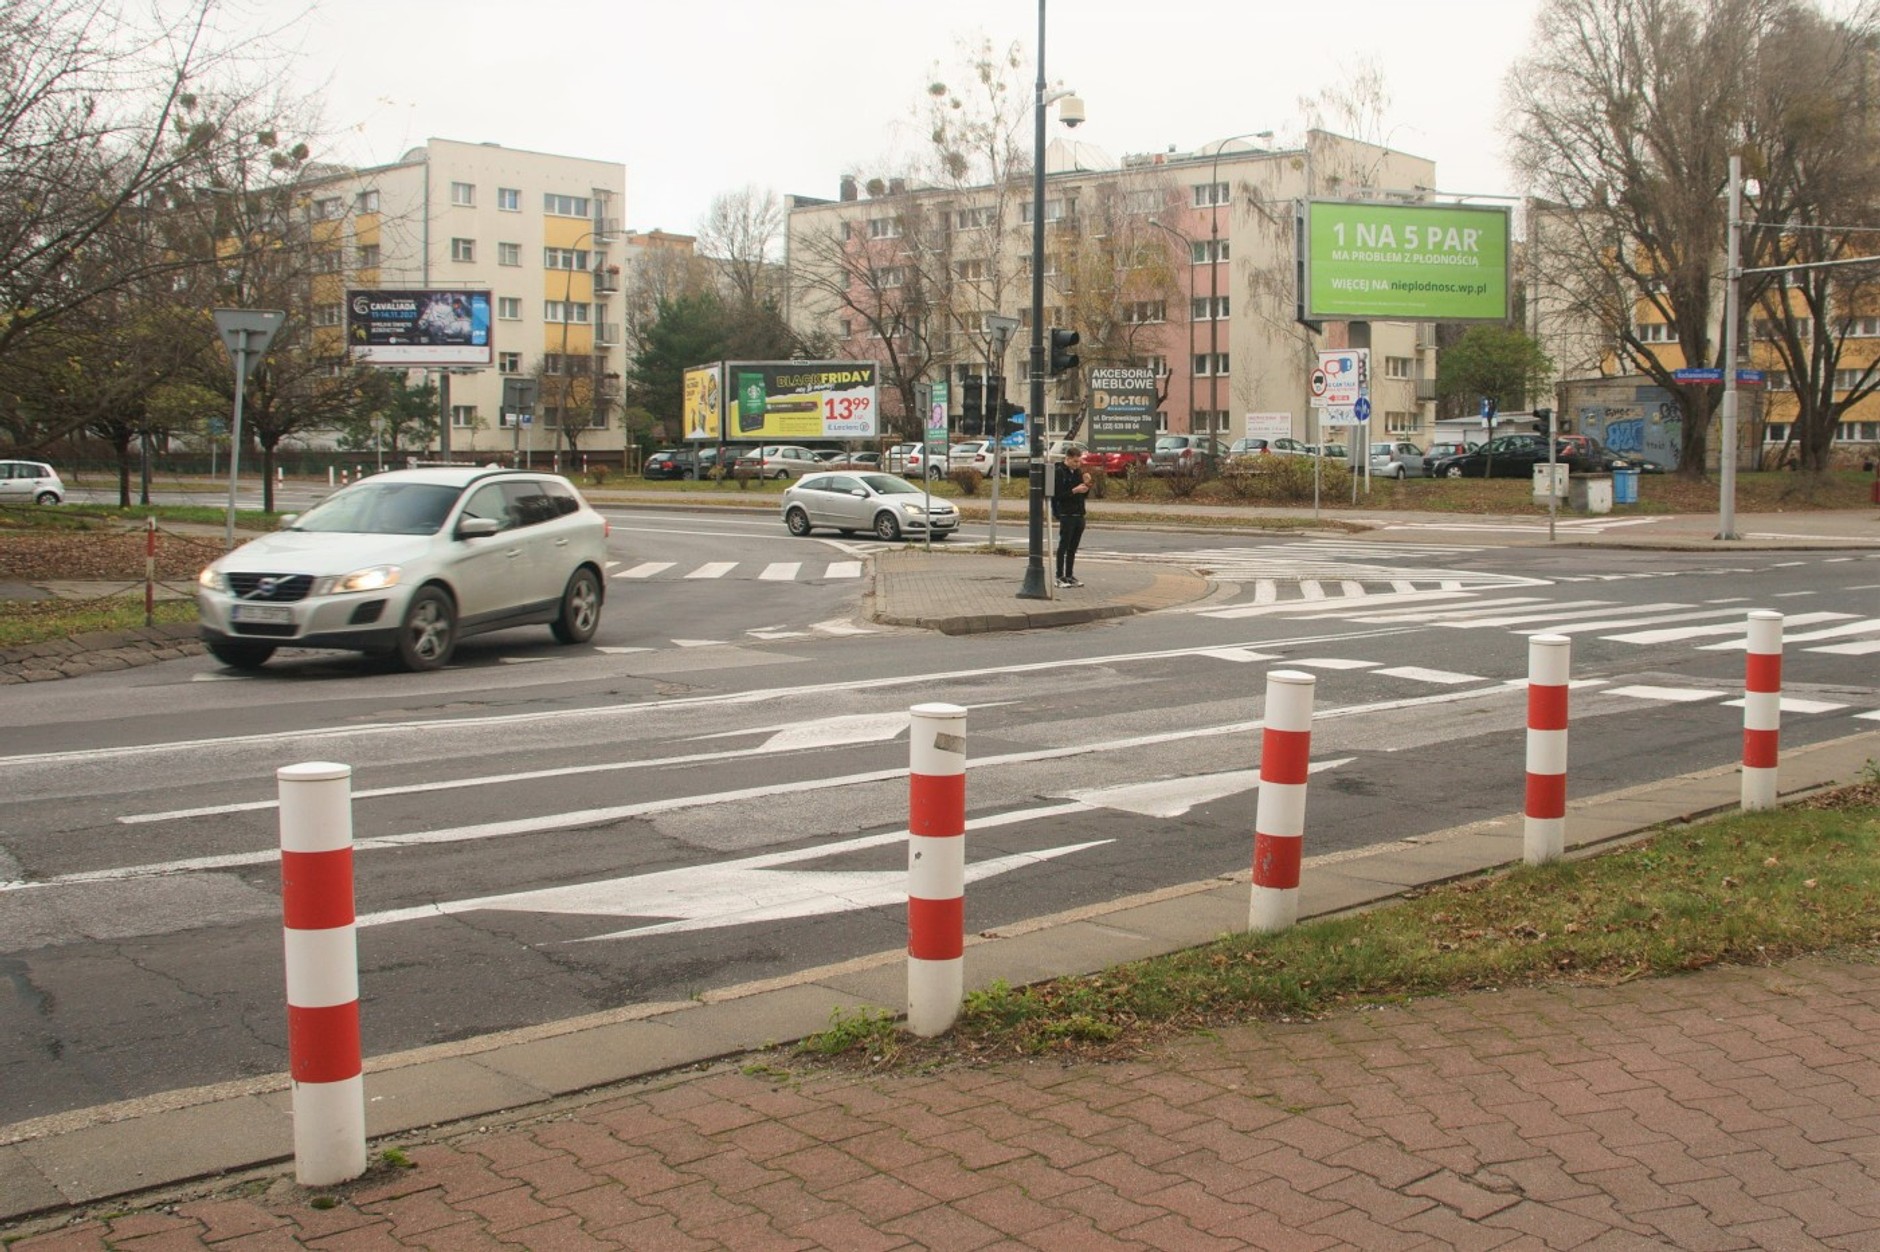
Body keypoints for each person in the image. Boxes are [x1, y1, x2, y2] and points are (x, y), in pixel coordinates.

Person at [1051, 445, 1092, 588]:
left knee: (1073, 547)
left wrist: (1086, 484)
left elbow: (1083, 494)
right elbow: (1058, 495)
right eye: (1075, 461)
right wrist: (1074, 490)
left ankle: (1069, 575)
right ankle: (1059, 576)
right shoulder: (1059, 472)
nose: (1077, 464)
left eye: (1079, 461)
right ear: (1067, 459)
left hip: (1079, 512)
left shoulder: (1078, 472)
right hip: (1066, 513)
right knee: (1064, 545)